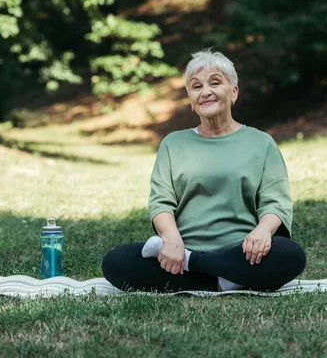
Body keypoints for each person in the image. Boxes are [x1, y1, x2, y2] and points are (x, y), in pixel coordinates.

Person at [102, 49, 307, 293]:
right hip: (180, 249)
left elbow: (276, 203)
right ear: (190, 98)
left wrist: (262, 232)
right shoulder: (172, 144)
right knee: (116, 262)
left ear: (234, 92)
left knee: (290, 255)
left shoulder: (261, 143)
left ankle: (198, 267)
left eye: (215, 83)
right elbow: (161, 203)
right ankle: (225, 279)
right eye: (196, 86)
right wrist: (171, 240)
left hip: (243, 253)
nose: (205, 91)